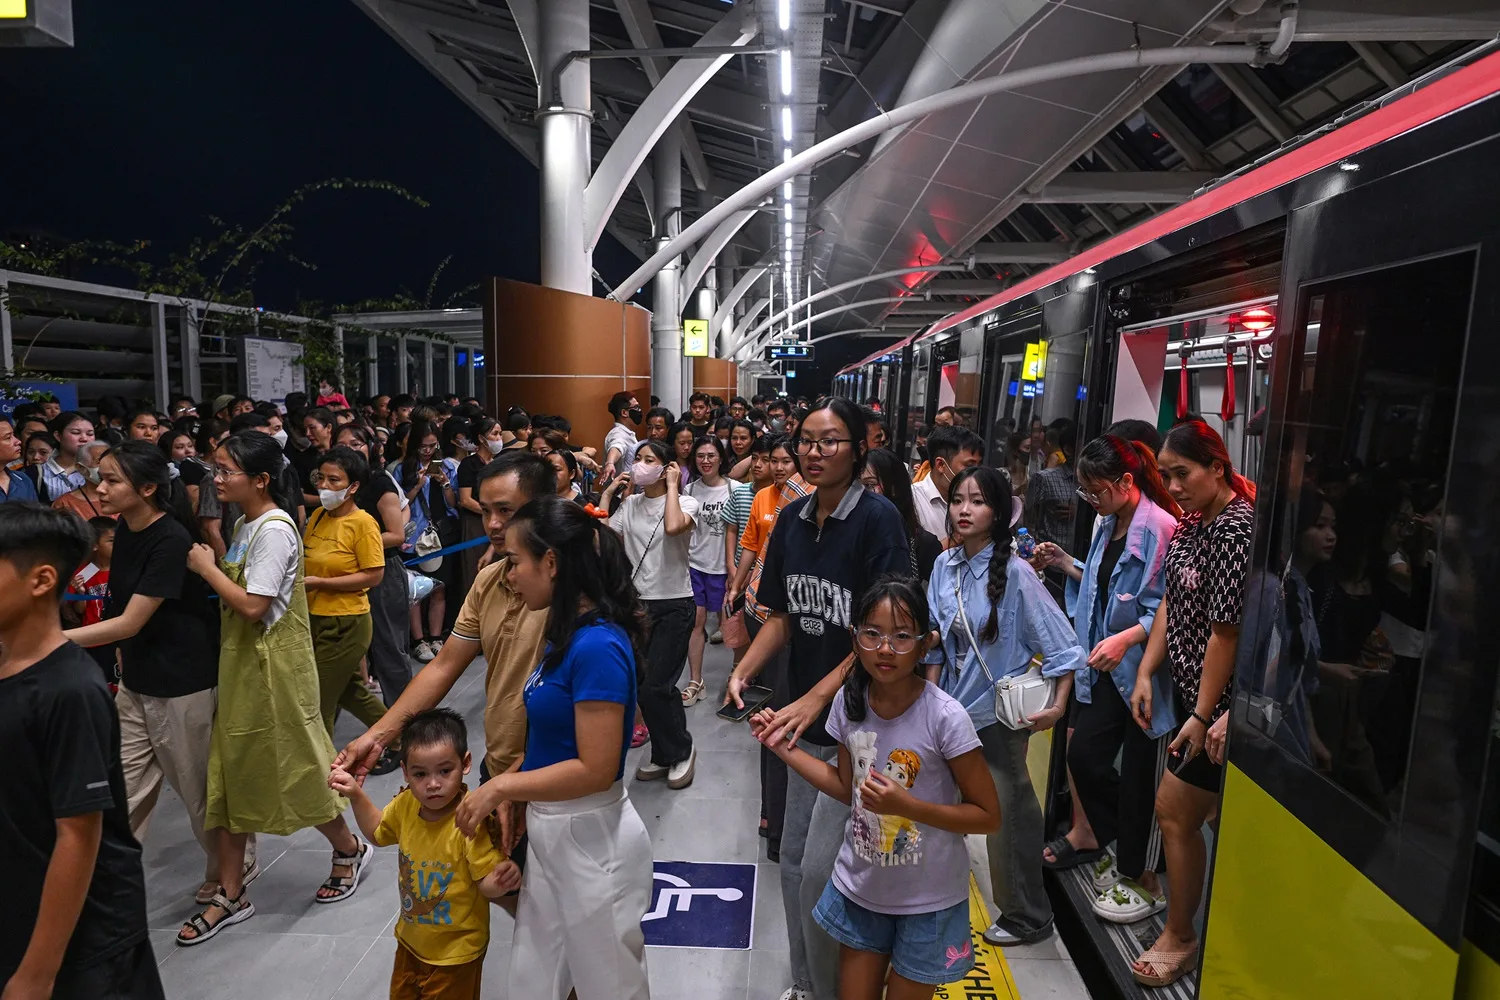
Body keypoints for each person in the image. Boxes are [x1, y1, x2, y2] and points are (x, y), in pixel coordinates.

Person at [726, 398, 910, 1000]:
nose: (813, 450)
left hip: (860, 724)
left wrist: (813, 699)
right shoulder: (792, 520)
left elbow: (881, 636)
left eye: (829, 441)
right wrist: (746, 668)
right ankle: (809, 982)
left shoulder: (878, 521)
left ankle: (834, 986)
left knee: (827, 870)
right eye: (806, 440)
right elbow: (781, 614)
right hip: (805, 720)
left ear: (858, 449)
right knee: (794, 858)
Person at [752, 578, 999, 1000]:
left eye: (902, 637)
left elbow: (988, 815)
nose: (886, 649)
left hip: (929, 898)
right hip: (863, 888)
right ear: (855, 639)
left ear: (925, 645)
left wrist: (909, 806)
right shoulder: (850, 704)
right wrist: (783, 749)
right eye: (873, 634)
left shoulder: (945, 718)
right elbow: (846, 786)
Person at [453, 496, 653, 1000]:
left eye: (515, 560)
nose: (508, 574)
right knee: (534, 978)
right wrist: (520, 789)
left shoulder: (598, 646)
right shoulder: (563, 634)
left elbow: (596, 767)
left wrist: (500, 785)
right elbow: (552, 738)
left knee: (610, 985)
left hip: (591, 837)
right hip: (553, 834)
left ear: (552, 562)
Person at [178, 431, 369, 944]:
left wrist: (207, 567)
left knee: (302, 766)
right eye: (214, 469)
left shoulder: (276, 529)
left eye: (225, 471)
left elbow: (253, 606)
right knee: (233, 771)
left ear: (260, 479)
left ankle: (349, 847)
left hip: (275, 671)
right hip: (242, 668)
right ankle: (231, 891)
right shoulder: (244, 524)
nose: (216, 480)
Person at [59, 442, 241, 907]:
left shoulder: (171, 540)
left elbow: (131, 621)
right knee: (119, 786)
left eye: (112, 480)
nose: (100, 488)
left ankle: (233, 868)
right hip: (137, 682)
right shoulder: (126, 528)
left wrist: (48, 642)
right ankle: (103, 880)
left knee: (198, 791)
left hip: (183, 683)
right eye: (100, 477)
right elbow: (123, 609)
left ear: (148, 488)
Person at [0, 504, 165, 1000]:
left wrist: (36, 974)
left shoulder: (68, 690)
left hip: (83, 937)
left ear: (41, 579)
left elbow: (79, 833)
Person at [333, 451, 553, 790]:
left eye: (506, 511)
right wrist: (378, 736)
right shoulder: (488, 580)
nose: (493, 523)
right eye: (485, 510)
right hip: (499, 767)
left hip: (550, 774)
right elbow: (443, 666)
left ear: (543, 508)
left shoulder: (572, 587)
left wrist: (515, 783)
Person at [1032, 435, 1181, 924]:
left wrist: (1125, 640)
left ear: (1126, 482)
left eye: (1097, 491)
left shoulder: (1160, 527)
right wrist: (1065, 564)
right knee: (1084, 756)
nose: (1091, 501)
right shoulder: (1105, 521)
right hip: (1107, 669)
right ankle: (1123, 841)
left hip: (1143, 674)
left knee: (1141, 777)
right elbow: (1100, 587)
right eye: (1086, 492)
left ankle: (1143, 876)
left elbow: (1164, 608)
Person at [1127, 419, 1254, 987]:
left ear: (1217, 469)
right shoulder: (1192, 526)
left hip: (1224, 707)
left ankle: (1182, 934)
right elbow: (1170, 606)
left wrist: (1205, 715)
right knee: (1206, 816)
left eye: (1182, 473)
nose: (1172, 486)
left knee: (1174, 810)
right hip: (1194, 697)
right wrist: (1148, 673)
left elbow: (1227, 634)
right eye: (1166, 475)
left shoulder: (1234, 532)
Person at [329, 709, 520, 1000]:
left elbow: (485, 882)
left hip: (457, 953)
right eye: (420, 774)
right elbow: (378, 831)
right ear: (405, 772)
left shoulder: (470, 817)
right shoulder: (406, 804)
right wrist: (356, 794)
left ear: (465, 763)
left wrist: (502, 879)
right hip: (411, 943)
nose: (432, 784)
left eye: (445, 771)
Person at [599, 439, 701, 790]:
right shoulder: (629, 504)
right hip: (638, 605)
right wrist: (608, 495)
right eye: (638, 459)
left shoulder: (687, 501)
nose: (640, 465)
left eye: (649, 460)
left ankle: (682, 750)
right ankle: (663, 752)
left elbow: (673, 527)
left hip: (675, 603)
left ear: (666, 466)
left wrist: (673, 486)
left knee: (658, 683)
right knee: (642, 686)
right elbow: (602, 539)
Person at [304, 446, 387, 738]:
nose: (324, 486)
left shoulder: (363, 523)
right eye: (321, 478)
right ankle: (400, 738)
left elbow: (374, 575)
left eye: (334, 480)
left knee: (320, 699)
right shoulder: (317, 516)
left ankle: (324, 774)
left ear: (353, 487)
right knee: (349, 691)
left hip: (345, 622)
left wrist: (320, 583)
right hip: (315, 617)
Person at [334, 424, 411, 726]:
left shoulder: (379, 482)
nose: (350, 449)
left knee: (389, 653)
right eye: (343, 444)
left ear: (370, 447)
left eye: (357, 443)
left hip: (381, 570)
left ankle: (403, 731)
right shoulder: (336, 485)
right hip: (345, 575)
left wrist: (354, 542)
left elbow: (396, 533)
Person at [682, 436, 733, 707]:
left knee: (731, 627)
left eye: (711, 455)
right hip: (695, 565)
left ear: (721, 458)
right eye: (700, 455)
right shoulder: (689, 491)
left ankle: (738, 680)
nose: (705, 460)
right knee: (697, 623)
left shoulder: (735, 489)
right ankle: (695, 681)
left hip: (724, 569)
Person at [401, 418, 457, 662]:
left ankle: (436, 637)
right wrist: (419, 484)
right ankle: (418, 639)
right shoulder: (403, 469)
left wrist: (444, 484)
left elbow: (455, 504)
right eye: (423, 446)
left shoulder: (446, 466)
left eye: (432, 445)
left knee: (438, 588)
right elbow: (400, 504)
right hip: (413, 537)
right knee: (415, 590)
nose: (427, 451)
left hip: (440, 534)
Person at [861, 448, 942, 582]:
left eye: (869, 485)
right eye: (855, 486)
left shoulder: (922, 544)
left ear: (894, 488)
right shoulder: (845, 533)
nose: (860, 493)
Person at [910, 426, 983, 542]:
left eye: (979, 466)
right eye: (969, 466)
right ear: (940, 465)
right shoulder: (913, 500)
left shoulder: (979, 500)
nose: (976, 473)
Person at [456, 416, 505, 584]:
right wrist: (489, 513)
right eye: (495, 434)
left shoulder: (499, 463)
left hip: (500, 520)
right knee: (476, 571)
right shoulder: (469, 464)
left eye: (500, 434)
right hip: (475, 523)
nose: (499, 439)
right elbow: (465, 500)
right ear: (481, 438)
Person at [1026, 418, 1079, 549]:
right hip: (1050, 558)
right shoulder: (1045, 479)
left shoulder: (1094, 482)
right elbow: (1028, 518)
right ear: (1068, 450)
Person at [39, 411, 96, 504]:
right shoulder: (38, 473)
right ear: (58, 436)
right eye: (76, 433)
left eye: (90, 434)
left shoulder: (101, 471)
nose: (84, 438)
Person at [603, 390, 643, 481]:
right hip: (619, 493)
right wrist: (610, 463)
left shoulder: (626, 433)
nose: (639, 410)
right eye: (636, 407)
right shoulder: (618, 434)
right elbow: (617, 446)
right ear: (624, 413)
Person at [0, 417, 39, 503]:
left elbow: (35, 515)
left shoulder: (23, 479)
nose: (18, 441)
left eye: (13, 435)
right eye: (8, 437)